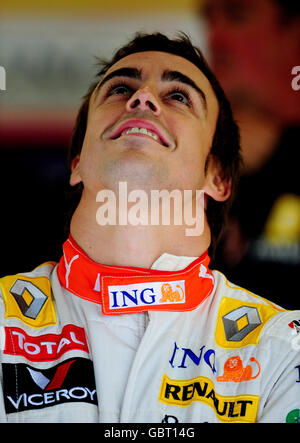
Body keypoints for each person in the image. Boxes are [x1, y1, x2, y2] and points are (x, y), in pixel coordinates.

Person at [0, 32, 299, 424]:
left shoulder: (283, 349)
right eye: (120, 88)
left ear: (218, 176)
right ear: (77, 162)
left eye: (178, 96)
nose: (141, 99)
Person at [201, 0, 300, 309]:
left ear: (294, 32)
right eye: (210, 20)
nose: (216, 38)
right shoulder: (174, 163)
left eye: (236, 16)